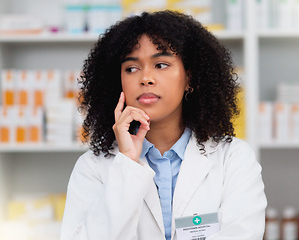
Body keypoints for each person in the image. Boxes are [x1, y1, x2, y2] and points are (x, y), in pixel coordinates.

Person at [60, 10, 267, 240]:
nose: (145, 78)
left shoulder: (233, 159)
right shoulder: (93, 168)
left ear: (190, 78)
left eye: (160, 64)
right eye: (131, 68)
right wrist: (127, 162)